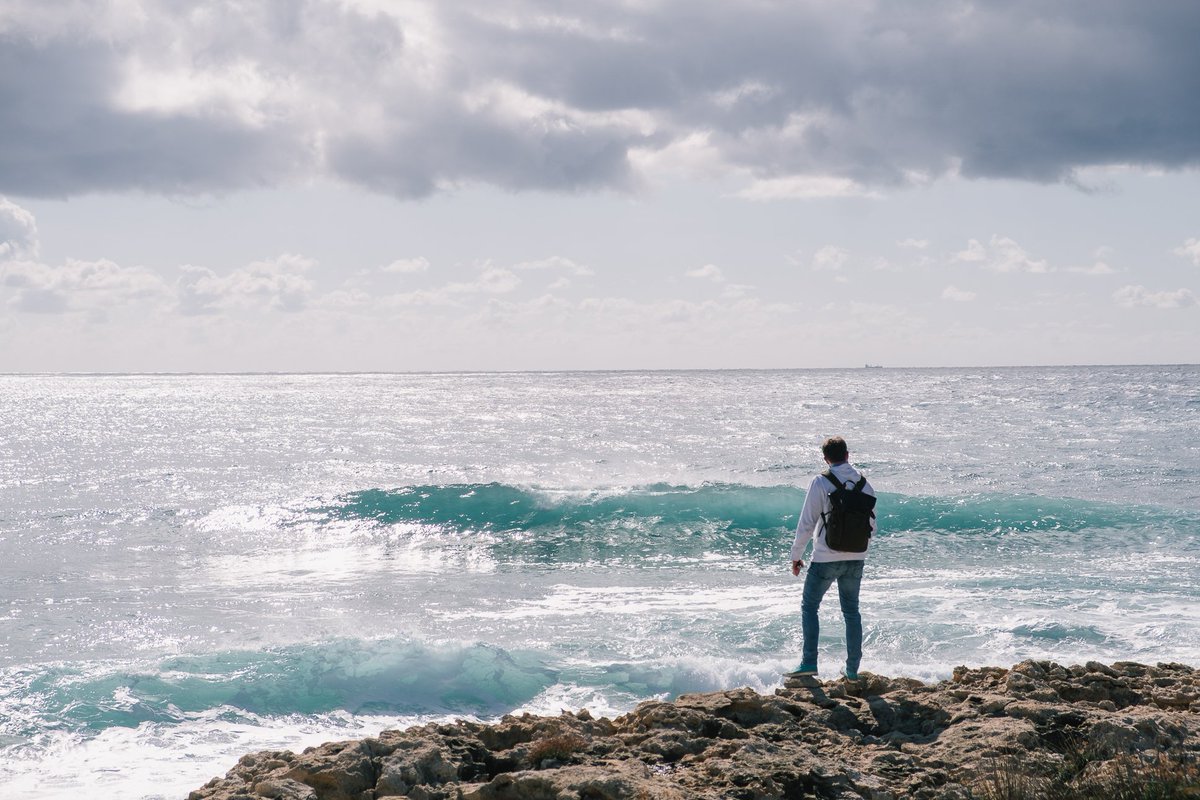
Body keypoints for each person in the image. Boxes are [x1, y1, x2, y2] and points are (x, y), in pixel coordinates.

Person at [786, 436, 876, 681]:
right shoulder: (865, 485)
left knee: (809, 607)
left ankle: (808, 663)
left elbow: (807, 523)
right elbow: (872, 526)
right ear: (848, 455)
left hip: (825, 557)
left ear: (825, 458)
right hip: (857, 557)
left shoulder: (820, 482)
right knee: (851, 612)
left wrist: (796, 556)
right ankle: (852, 670)